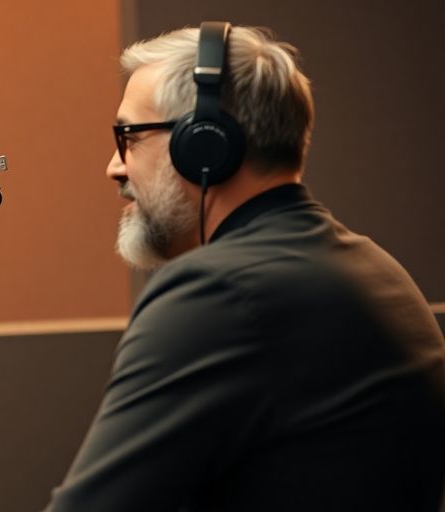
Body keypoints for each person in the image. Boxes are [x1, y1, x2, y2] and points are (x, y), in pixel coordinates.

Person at [46, 22, 445, 511]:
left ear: (202, 144)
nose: (115, 165)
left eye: (128, 135)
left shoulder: (219, 293)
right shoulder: (376, 270)